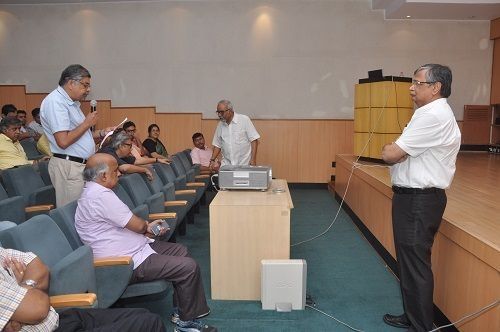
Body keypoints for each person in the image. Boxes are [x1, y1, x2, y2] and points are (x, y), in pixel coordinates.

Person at [75, 153, 213, 332]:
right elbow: (138, 226)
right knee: (188, 267)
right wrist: (147, 226)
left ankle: (182, 311)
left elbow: (131, 224)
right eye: (115, 170)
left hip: (135, 248)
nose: (119, 173)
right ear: (103, 176)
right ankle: (186, 325)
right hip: (123, 262)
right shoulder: (100, 196)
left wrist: (146, 227)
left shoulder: (95, 191)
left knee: (180, 250)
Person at [381, 64, 461, 332]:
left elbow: (392, 154)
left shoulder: (433, 115)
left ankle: (421, 326)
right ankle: (412, 315)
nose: (411, 88)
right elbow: (401, 151)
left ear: (436, 87)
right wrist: (396, 149)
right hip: (412, 199)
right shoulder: (428, 112)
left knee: (415, 265)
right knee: (408, 262)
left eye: (418, 83)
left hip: (419, 201)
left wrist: (389, 149)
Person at [0, 246, 167, 332]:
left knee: (141, 314)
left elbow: (38, 266)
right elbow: (38, 309)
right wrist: (29, 297)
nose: (119, 176)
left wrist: (24, 287)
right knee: (150, 324)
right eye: (116, 175)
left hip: (59, 319)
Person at [40, 64, 112, 207]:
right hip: (69, 166)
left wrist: (103, 132)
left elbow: (82, 135)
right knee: (72, 214)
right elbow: (63, 141)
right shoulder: (56, 102)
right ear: (71, 83)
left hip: (80, 165)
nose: (88, 90)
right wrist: (86, 123)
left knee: (83, 212)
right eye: (85, 85)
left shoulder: (72, 103)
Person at [209, 99, 260, 168]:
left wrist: (253, 159)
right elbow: (217, 145)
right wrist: (212, 160)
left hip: (244, 164)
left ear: (230, 110)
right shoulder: (220, 125)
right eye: (218, 112)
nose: (219, 115)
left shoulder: (244, 120)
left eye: (221, 112)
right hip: (226, 166)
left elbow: (254, 140)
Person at [99, 130, 167, 179]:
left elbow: (136, 161)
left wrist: (157, 160)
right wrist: (144, 170)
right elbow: (124, 168)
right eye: (130, 146)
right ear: (121, 145)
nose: (131, 149)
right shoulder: (108, 152)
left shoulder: (121, 154)